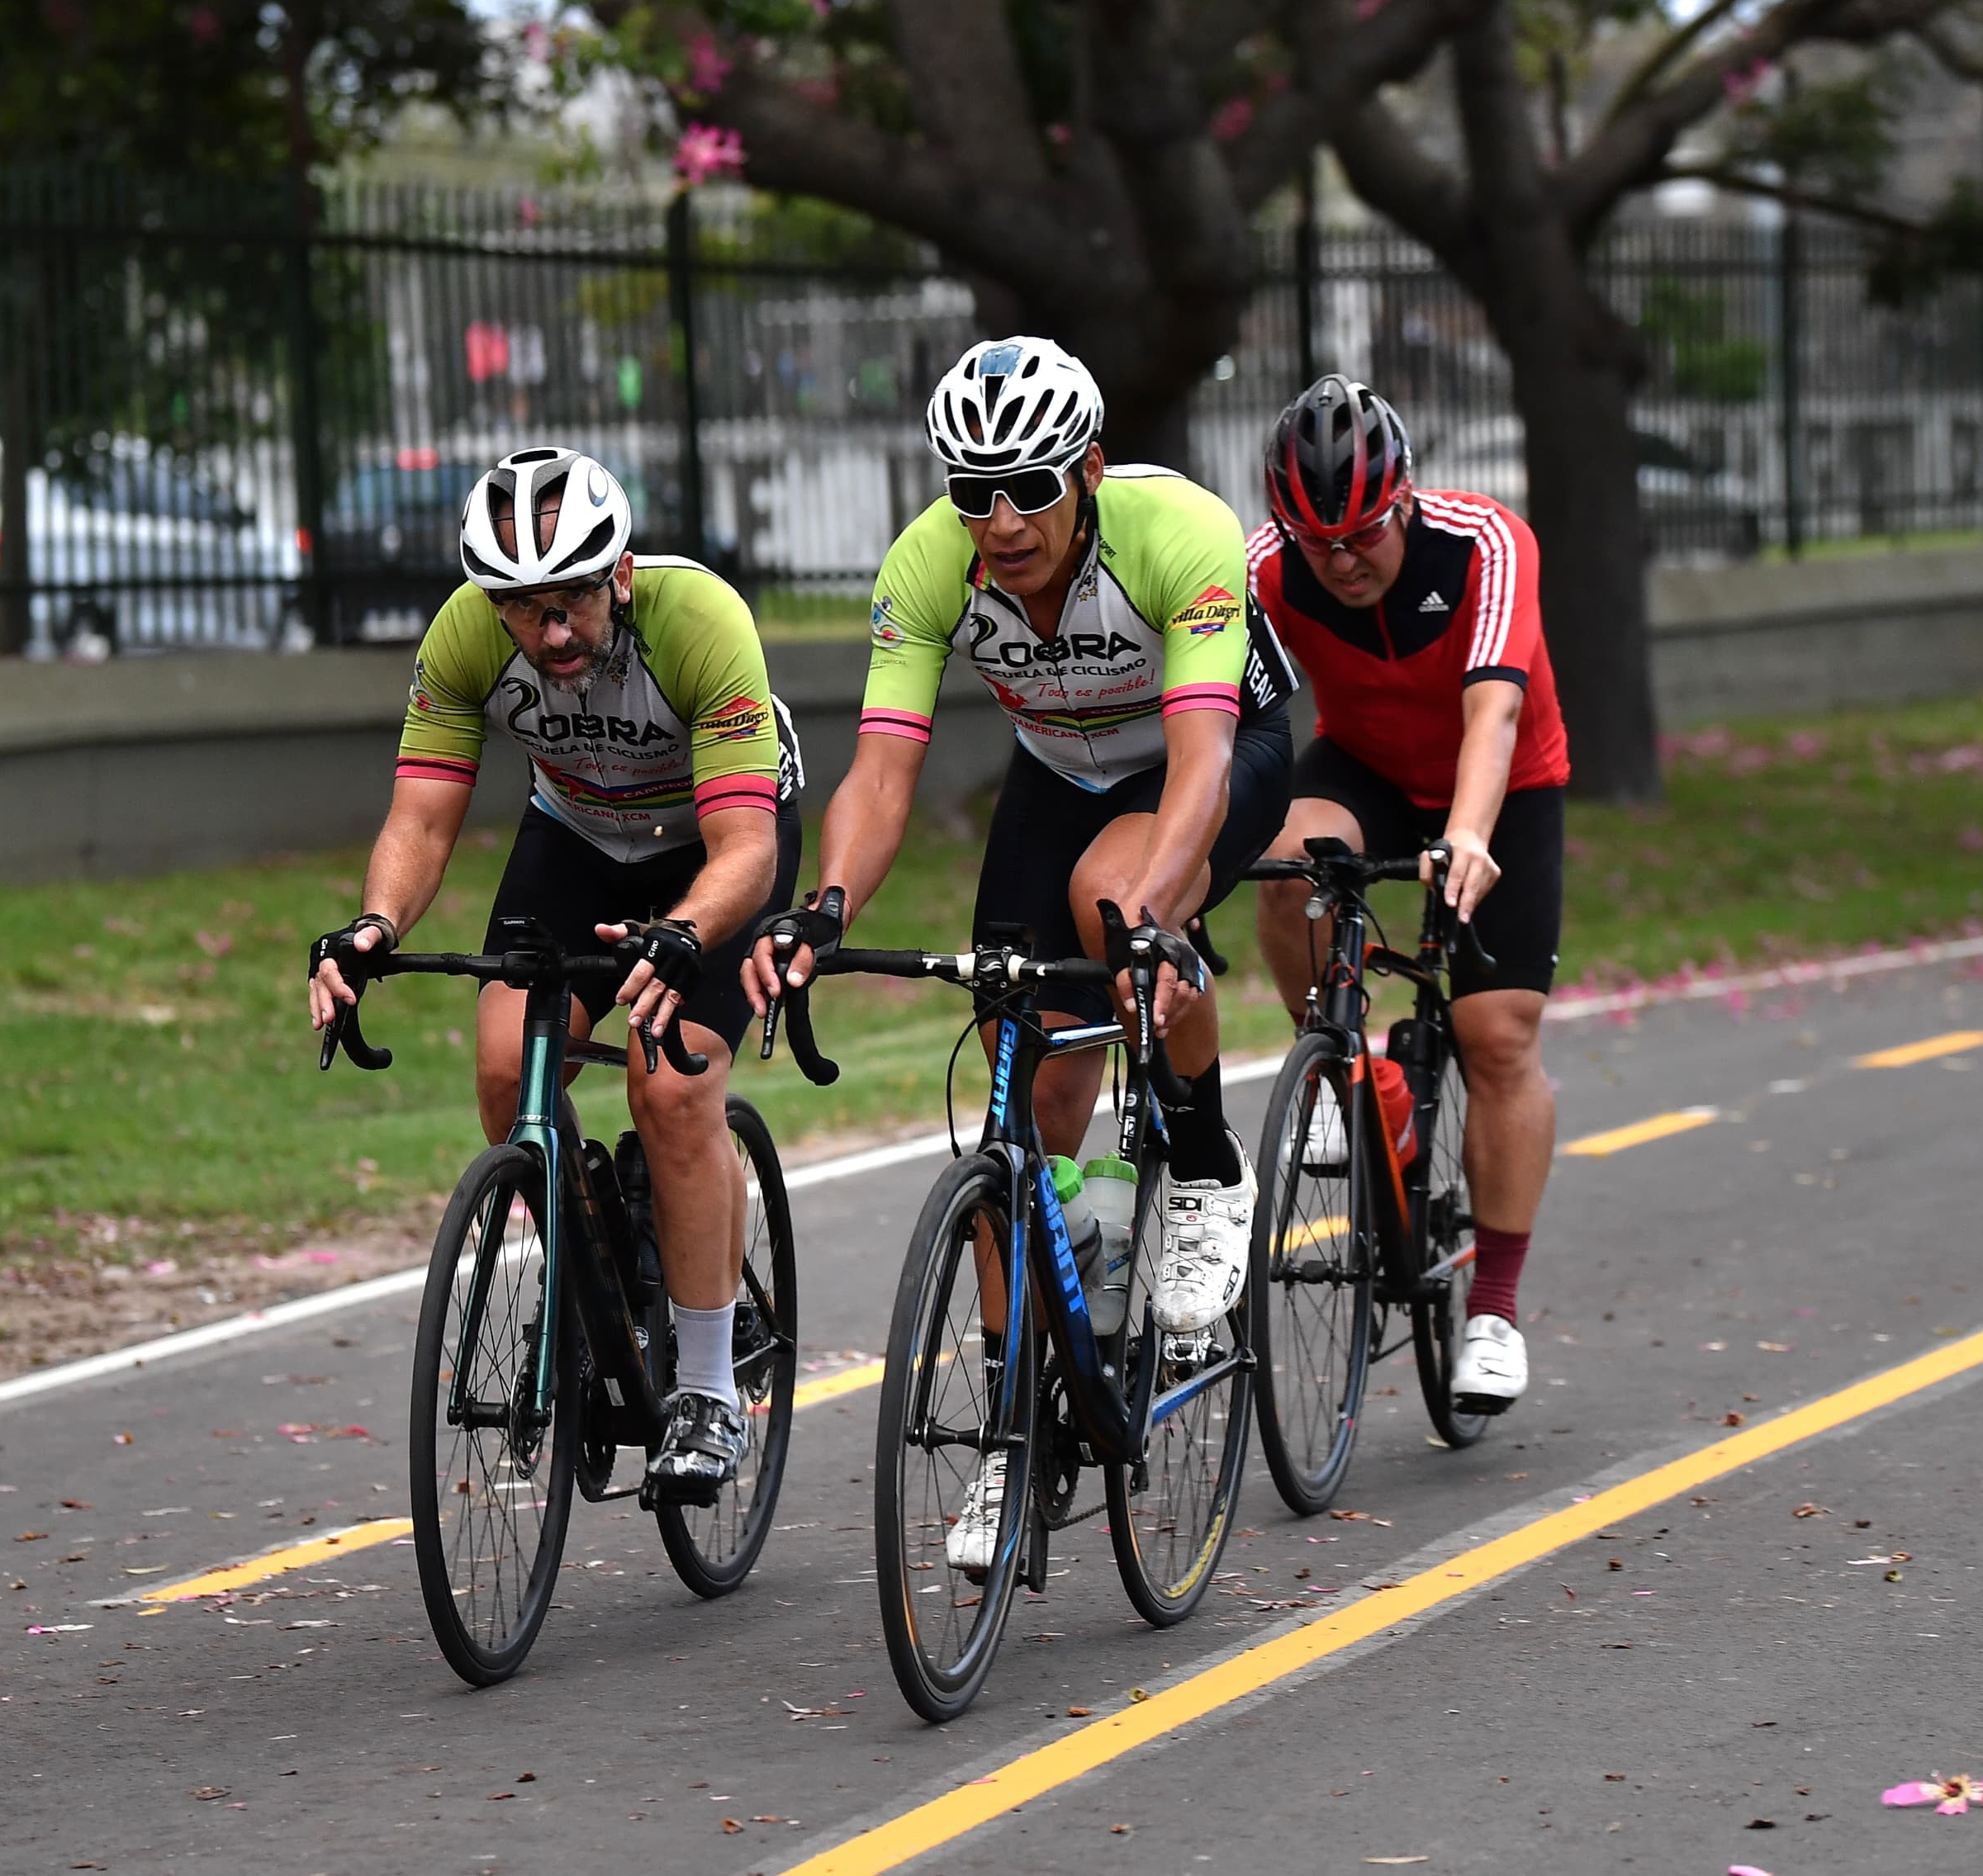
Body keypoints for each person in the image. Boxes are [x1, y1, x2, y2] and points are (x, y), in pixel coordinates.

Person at [749, 336, 1298, 1563]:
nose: (999, 521)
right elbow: (883, 772)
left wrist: (1157, 911)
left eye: (1030, 489)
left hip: (1211, 751)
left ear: (1090, 470)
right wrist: (824, 904)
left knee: (1119, 904)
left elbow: (1204, 760)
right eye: (971, 492)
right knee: (1015, 1084)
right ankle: (1020, 1427)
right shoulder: (927, 566)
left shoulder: (1180, 534)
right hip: (1059, 768)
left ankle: (1204, 1166)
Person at [308, 448, 799, 1497]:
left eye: (572, 597)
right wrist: (373, 925)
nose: (554, 632)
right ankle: (612, 1250)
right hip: (576, 835)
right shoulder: (464, 636)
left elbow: (746, 851)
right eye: (525, 609)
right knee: (504, 1074)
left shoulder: (697, 621)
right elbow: (422, 812)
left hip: (714, 840)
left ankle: (711, 1390)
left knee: (668, 1086)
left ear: (617, 573)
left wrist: (684, 931)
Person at [1249, 375, 1567, 1414]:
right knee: (1287, 860)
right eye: (1314, 539)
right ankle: (1339, 1058)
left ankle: (1496, 1308)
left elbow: (1492, 718)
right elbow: (1214, 705)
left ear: (1406, 501)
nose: (1338, 561)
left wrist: (1467, 835)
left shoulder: (1485, 545)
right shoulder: (1267, 570)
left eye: (1361, 534)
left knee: (1496, 1037)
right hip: (1368, 767)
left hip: (1501, 783)